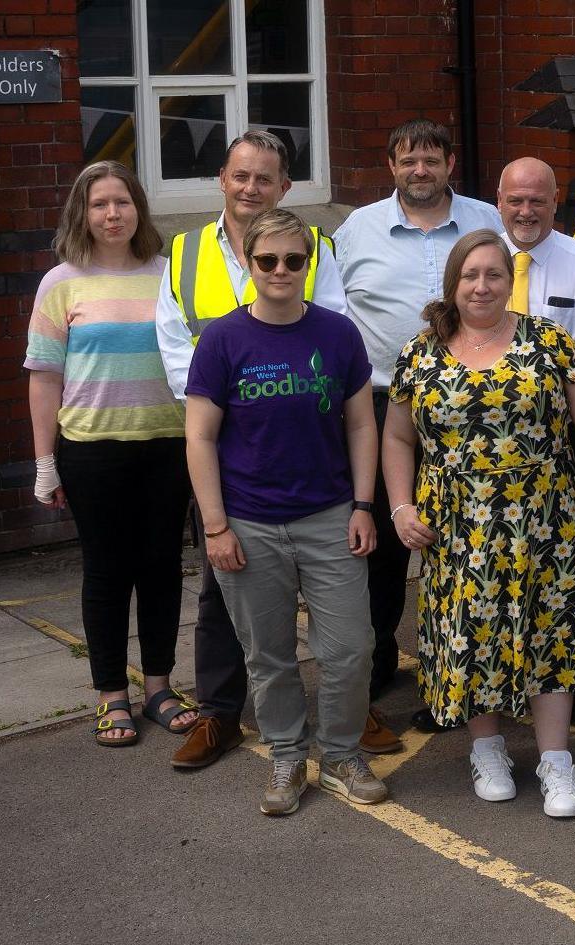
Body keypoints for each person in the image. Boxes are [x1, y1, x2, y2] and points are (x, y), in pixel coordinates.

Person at [382, 229, 575, 818]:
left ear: (508, 282)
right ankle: (487, 749)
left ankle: (556, 762)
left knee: (551, 633)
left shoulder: (546, 341)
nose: (483, 285)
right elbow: (395, 435)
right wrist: (401, 507)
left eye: (493, 274)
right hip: (459, 523)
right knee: (472, 634)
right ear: (453, 285)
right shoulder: (421, 353)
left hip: (545, 518)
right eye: (471, 275)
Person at [153, 129, 354, 770]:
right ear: (222, 178)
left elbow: (328, 331)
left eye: (264, 178)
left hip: (305, 444)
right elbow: (175, 349)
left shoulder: (316, 248)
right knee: (223, 589)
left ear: (284, 187)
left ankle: (350, 715)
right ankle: (220, 714)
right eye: (240, 176)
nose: (250, 188)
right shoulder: (183, 254)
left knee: (340, 616)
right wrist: (232, 406)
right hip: (226, 451)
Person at [184, 208, 386, 817]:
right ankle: (287, 754)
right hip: (247, 522)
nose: (280, 270)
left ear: (308, 263)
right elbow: (199, 437)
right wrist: (215, 526)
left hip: (329, 514)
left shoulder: (337, 333)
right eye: (266, 259)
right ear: (248, 263)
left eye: (293, 260)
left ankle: (344, 751)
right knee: (268, 654)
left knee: (350, 646)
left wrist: (363, 504)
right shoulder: (223, 338)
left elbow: (361, 424)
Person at [334, 118, 499, 745]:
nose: (421, 171)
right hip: (382, 407)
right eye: (410, 161)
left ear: (451, 163)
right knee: (386, 539)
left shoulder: (487, 218)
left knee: (460, 544)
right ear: (392, 165)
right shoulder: (358, 230)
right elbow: (330, 307)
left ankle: (450, 678)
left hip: (474, 405)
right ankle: (378, 666)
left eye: (431, 160)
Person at [24, 161, 195, 747]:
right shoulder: (60, 282)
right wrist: (45, 462)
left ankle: (159, 689)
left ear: (139, 208)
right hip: (91, 451)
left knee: (161, 569)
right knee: (106, 571)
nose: (112, 214)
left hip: (167, 446)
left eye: (122, 202)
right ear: (83, 212)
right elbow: (44, 376)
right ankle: (110, 695)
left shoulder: (168, 273)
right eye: (99, 204)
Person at [497, 156, 575, 339]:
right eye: (515, 201)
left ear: (555, 200)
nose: (526, 212)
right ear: (500, 200)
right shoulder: (476, 261)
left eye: (537, 201)